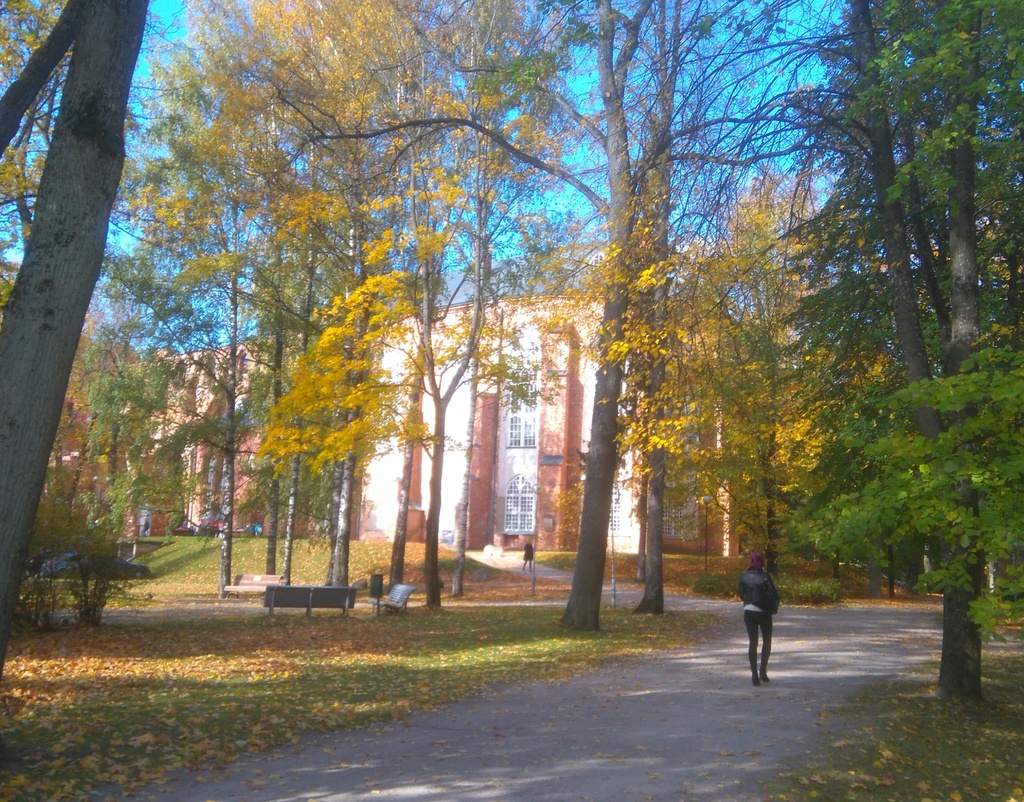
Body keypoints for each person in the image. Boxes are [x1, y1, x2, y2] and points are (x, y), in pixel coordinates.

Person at [738, 551, 780, 686]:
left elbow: (741, 595)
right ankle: (763, 672)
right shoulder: (765, 577)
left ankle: (754, 676)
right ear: (762, 562)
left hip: (748, 611)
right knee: (767, 641)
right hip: (763, 612)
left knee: (753, 642)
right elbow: (774, 594)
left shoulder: (743, 576)